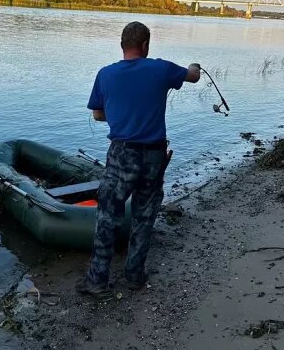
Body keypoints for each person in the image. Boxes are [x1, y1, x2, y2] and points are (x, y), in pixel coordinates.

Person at [76, 21, 201, 296]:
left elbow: (98, 115)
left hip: (122, 153)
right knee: (145, 214)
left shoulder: (105, 74)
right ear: (145, 45)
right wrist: (195, 66)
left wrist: (122, 112)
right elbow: (193, 76)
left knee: (108, 215)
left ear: (122, 45)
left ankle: (97, 280)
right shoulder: (160, 68)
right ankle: (134, 275)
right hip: (154, 154)